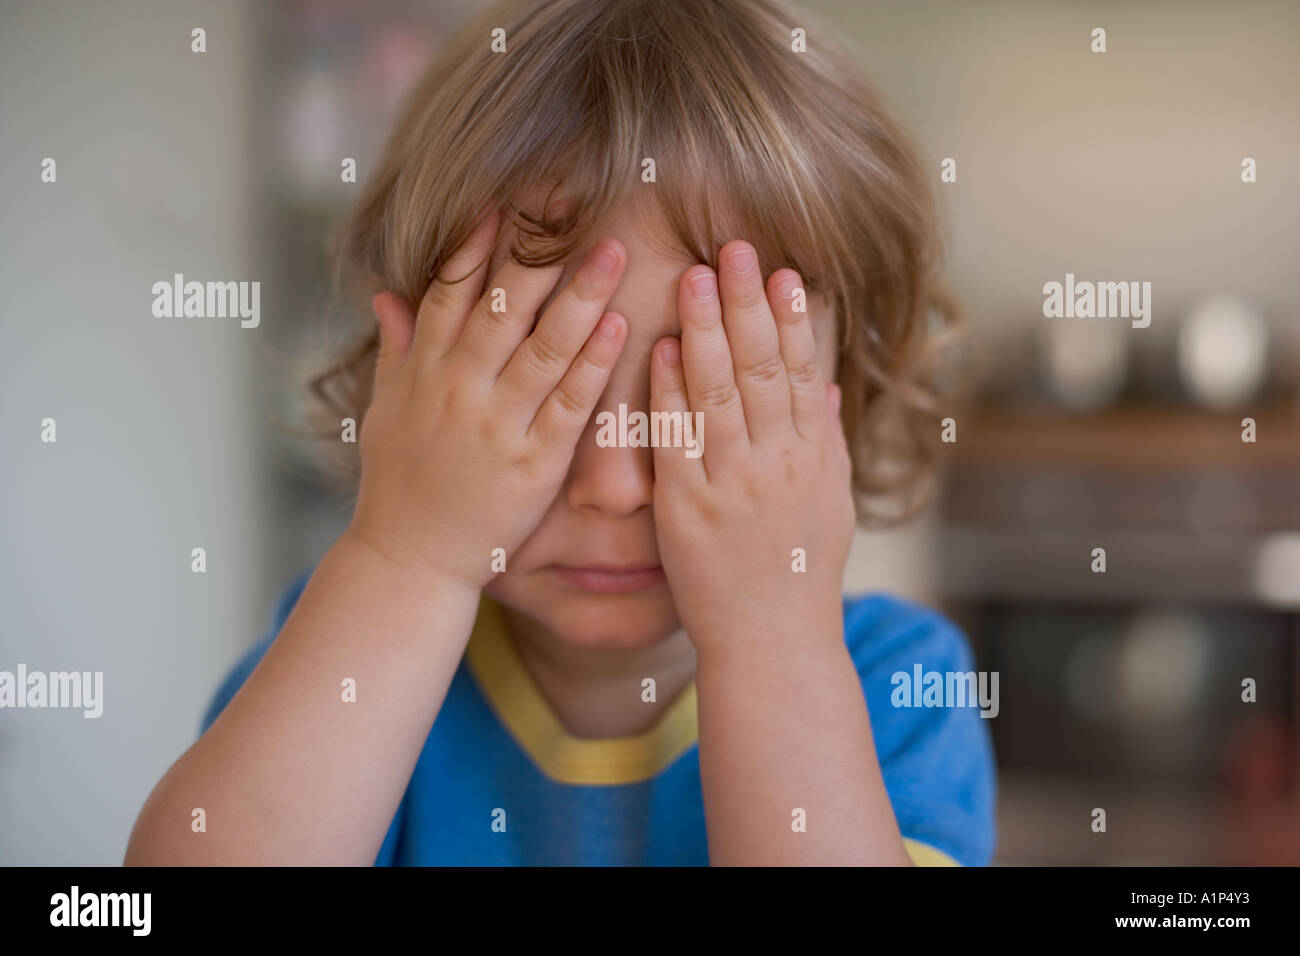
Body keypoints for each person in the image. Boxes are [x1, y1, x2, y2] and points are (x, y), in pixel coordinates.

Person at [125, 0, 994, 866]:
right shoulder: (353, 644)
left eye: (701, 404)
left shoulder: (897, 679)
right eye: (537, 400)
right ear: (407, 389)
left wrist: (773, 638)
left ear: (844, 398)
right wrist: (407, 560)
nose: (614, 487)